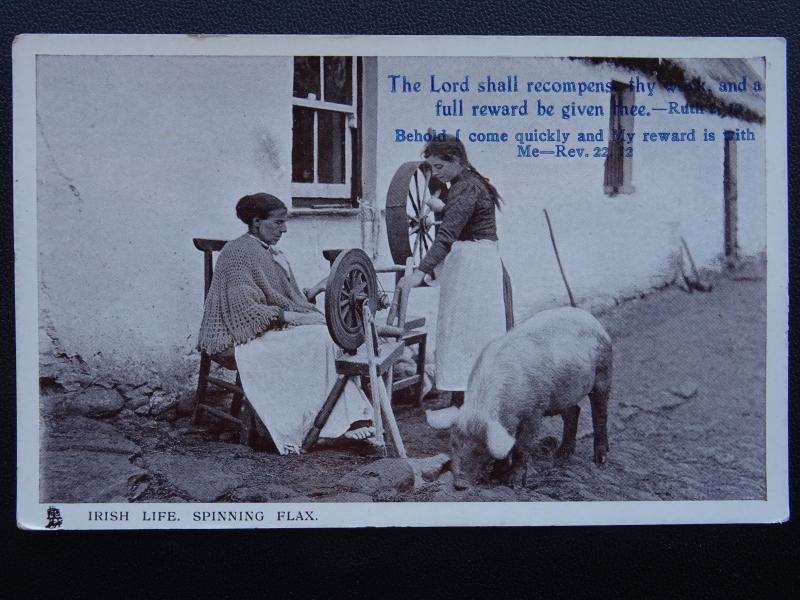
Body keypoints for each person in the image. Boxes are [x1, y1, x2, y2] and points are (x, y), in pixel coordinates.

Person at [197, 193, 374, 454]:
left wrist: (315, 289)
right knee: (323, 339)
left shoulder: (270, 253)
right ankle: (329, 421)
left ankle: (338, 419)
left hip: (265, 330)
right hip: (239, 338)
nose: (284, 229)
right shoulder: (236, 254)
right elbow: (244, 310)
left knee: (331, 335)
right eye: (278, 223)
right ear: (257, 222)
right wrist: (299, 317)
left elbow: (283, 297)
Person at [399, 136, 512, 407]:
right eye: (432, 168)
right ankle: (465, 399)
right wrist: (443, 206)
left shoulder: (466, 188)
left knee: (466, 332)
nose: (435, 174)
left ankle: (466, 403)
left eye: (439, 167)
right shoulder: (470, 182)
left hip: (473, 265)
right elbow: (460, 218)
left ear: (456, 161)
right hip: (478, 261)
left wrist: (420, 272)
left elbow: (447, 236)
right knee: (470, 332)